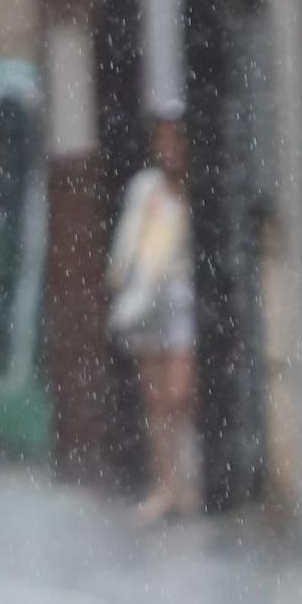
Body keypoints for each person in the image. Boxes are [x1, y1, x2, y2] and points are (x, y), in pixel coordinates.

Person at [105, 108, 198, 524]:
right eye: (163, 141)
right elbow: (129, 240)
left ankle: (190, 482)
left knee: (180, 394)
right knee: (157, 402)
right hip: (147, 298)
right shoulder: (147, 189)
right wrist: (119, 273)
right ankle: (166, 486)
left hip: (181, 296)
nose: (170, 150)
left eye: (175, 140)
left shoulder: (193, 191)